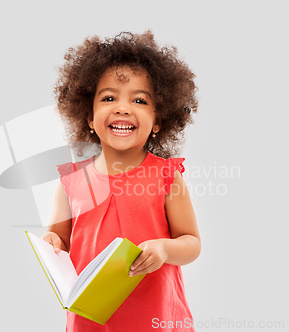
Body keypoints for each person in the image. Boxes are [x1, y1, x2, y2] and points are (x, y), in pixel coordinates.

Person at [42, 30, 201, 331]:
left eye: (139, 100)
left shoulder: (166, 176)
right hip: (90, 321)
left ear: (158, 121)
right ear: (89, 117)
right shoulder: (71, 183)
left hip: (156, 318)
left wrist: (165, 249)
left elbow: (191, 242)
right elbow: (57, 238)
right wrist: (52, 243)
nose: (123, 107)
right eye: (109, 97)